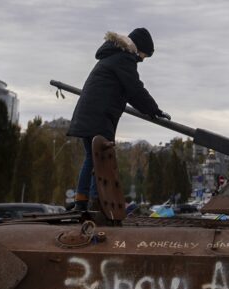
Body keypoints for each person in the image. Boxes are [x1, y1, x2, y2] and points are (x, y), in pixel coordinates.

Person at [67, 28, 169, 211]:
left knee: (92, 157)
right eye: (145, 54)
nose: (144, 59)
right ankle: (96, 202)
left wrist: (151, 110)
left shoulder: (111, 56)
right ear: (139, 48)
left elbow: (129, 91)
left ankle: (82, 201)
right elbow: (135, 89)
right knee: (100, 159)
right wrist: (154, 110)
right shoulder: (124, 59)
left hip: (88, 114)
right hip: (100, 116)